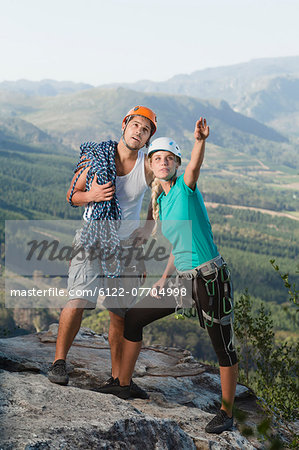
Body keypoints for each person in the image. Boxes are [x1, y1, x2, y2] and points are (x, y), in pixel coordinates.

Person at [100, 118, 239, 434]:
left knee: (223, 346)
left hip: (210, 279)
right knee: (134, 317)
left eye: (169, 159)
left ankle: (227, 413)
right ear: (150, 164)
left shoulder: (185, 190)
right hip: (183, 280)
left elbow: (194, 168)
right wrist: (164, 278)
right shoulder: (159, 199)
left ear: (176, 163)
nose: (163, 163)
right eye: (157, 158)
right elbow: (180, 245)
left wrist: (200, 141)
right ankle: (123, 383)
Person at [47, 106, 157, 399]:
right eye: (136, 125)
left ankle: (118, 378)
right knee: (78, 298)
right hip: (92, 239)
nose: (139, 131)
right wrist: (93, 195)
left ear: (148, 138)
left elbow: (161, 196)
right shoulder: (97, 158)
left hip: (126, 248)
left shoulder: (148, 165)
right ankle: (59, 363)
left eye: (145, 129)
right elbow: (73, 195)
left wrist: (146, 233)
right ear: (125, 125)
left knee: (120, 315)